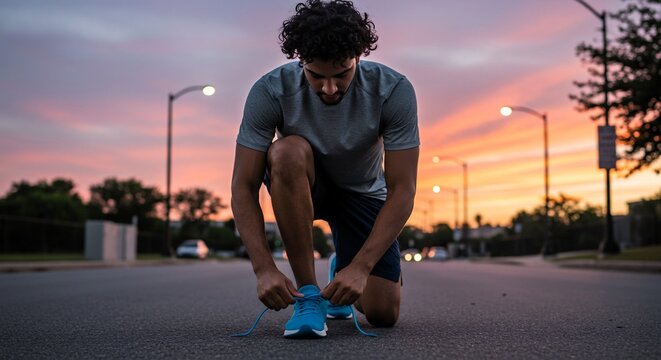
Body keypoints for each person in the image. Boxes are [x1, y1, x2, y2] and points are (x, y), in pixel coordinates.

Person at [231, 0, 419, 338]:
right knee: (286, 150)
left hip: (362, 193)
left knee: (382, 313)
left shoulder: (393, 90)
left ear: (359, 56)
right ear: (299, 59)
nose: (329, 89)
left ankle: (343, 264)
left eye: (342, 73)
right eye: (316, 76)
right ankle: (310, 295)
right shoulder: (269, 91)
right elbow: (243, 186)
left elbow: (403, 188)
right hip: (304, 184)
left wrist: (360, 268)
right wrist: (264, 269)